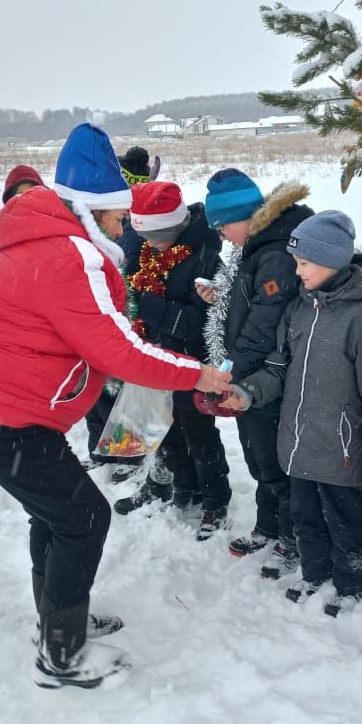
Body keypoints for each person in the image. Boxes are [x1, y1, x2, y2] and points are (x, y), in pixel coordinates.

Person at [0, 122, 233, 689]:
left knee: (57, 515)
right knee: (84, 518)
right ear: (93, 211)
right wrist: (200, 372)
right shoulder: (67, 256)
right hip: (2, 419)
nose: (126, 230)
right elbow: (118, 350)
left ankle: (57, 623)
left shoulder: (35, 241)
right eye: (120, 218)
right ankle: (63, 655)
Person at [224, 210, 362, 615]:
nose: (296, 272)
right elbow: (279, 367)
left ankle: (352, 584)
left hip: (342, 452)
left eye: (304, 264)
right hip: (298, 447)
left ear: (332, 261)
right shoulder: (299, 309)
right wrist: (248, 393)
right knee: (306, 520)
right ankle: (315, 573)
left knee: (348, 523)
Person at [197, 169, 314, 580]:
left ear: (246, 214)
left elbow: (264, 325)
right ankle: (269, 525)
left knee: (273, 460)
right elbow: (245, 307)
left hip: (268, 376)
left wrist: (231, 372)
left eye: (223, 224)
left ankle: (293, 538)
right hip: (250, 372)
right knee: (256, 455)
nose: (221, 234)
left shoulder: (277, 253)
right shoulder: (257, 246)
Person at [112, 180, 233, 540]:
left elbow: (201, 324)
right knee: (165, 432)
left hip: (193, 366)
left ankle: (215, 500)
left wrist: (144, 304)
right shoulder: (151, 253)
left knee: (200, 437)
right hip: (156, 360)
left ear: (175, 228)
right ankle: (184, 488)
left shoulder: (207, 259)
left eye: (155, 236)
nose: (148, 243)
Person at [81, 145, 155, 482]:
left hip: (131, 307)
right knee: (96, 386)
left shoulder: (140, 221)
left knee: (124, 388)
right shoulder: (96, 215)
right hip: (100, 305)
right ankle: (100, 447)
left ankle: (129, 452)